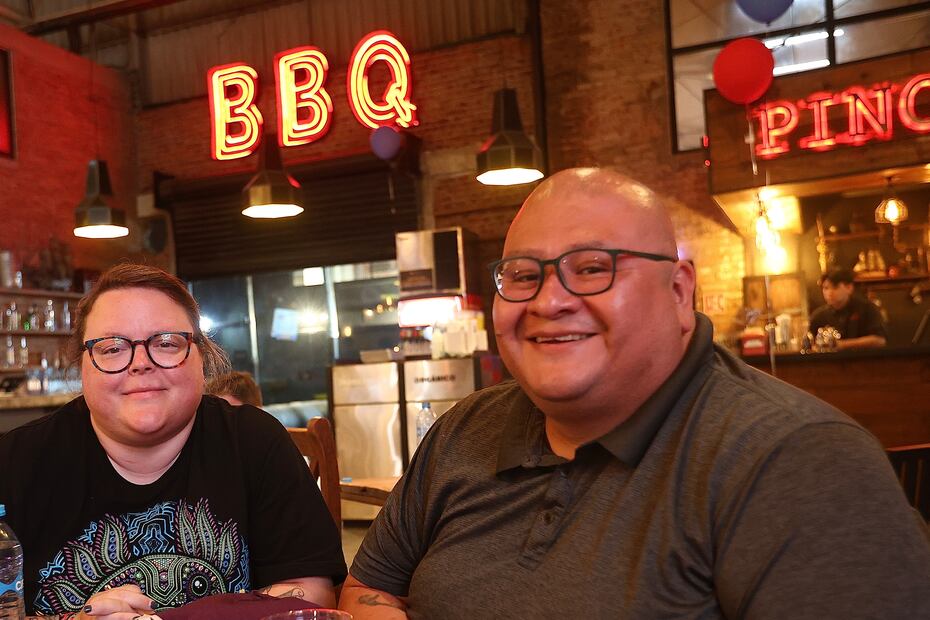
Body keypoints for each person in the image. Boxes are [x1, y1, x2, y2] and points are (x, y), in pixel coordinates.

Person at [339, 169, 930, 619]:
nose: (549, 301)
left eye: (592, 268)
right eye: (522, 275)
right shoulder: (467, 427)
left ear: (678, 291)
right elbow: (369, 586)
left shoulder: (800, 462)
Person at [0, 263, 346, 618]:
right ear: (81, 365)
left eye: (166, 343)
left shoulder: (255, 441)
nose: (140, 363)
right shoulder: (17, 461)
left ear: (202, 358)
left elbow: (312, 597)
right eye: (112, 348)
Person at [808, 268, 887, 349]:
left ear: (849, 288)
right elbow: (810, 344)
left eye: (835, 287)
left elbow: (880, 340)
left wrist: (842, 344)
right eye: (826, 288)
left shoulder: (867, 308)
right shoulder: (819, 316)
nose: (829, 293)